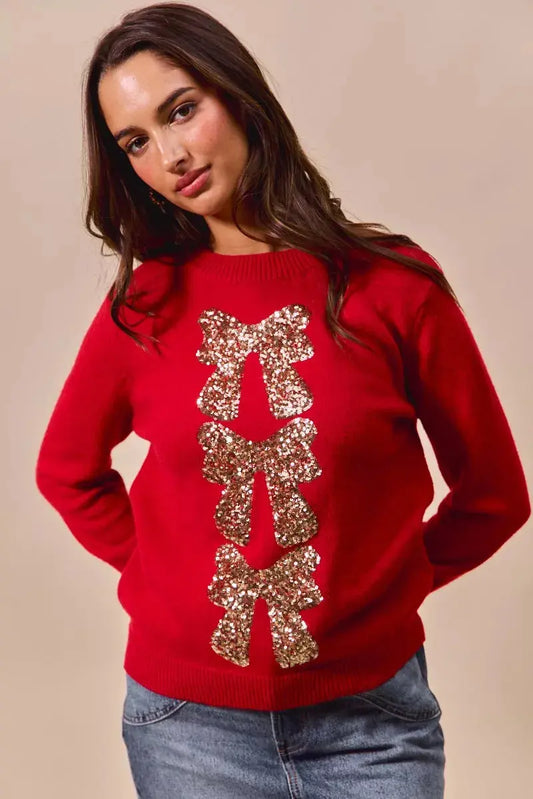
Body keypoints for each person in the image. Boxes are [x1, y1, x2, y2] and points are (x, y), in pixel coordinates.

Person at [34, 3, 530, 798]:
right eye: (135, 141)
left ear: (238, 95)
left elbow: (495, 496)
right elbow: (66, 470)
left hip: (372, 724)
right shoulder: (146, 303)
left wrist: (378, 589)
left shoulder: (394, 287)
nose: (168, 154)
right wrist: (171, 581)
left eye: (182, 110)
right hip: (186, 726)